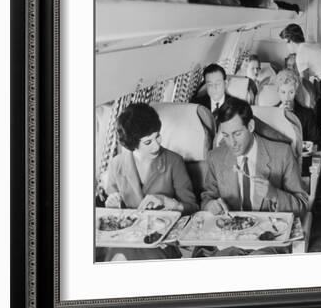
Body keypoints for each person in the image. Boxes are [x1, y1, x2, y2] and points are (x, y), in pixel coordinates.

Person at [101, 103, 199, 260]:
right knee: (117, 257)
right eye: (148, 142)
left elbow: (192, 207)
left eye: (157, 136)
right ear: (133, 145)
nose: (157, 144)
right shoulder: (116, 164)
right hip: (127, 239)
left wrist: (167, 201)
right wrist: (112, 204)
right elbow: (113, 204)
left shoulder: (174, 162)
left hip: (160, 240)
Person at [201, 97, 308, 217]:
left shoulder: (282, 154)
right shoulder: (215, 157)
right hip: (230, 231)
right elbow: (207, 197)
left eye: (237, 134)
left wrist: (275, 195)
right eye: (226, 135)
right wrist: (209, 205)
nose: (231, 143)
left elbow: (302, 205)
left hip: (270, 231)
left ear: (251, 126)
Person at [274, 69, 318, 144]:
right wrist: (279, 116)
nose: (287, 97)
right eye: (283, 92)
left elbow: (316, 141)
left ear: (296, 92)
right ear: (278, 92)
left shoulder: (308, 114)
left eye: (291, 92)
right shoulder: (271, 113)